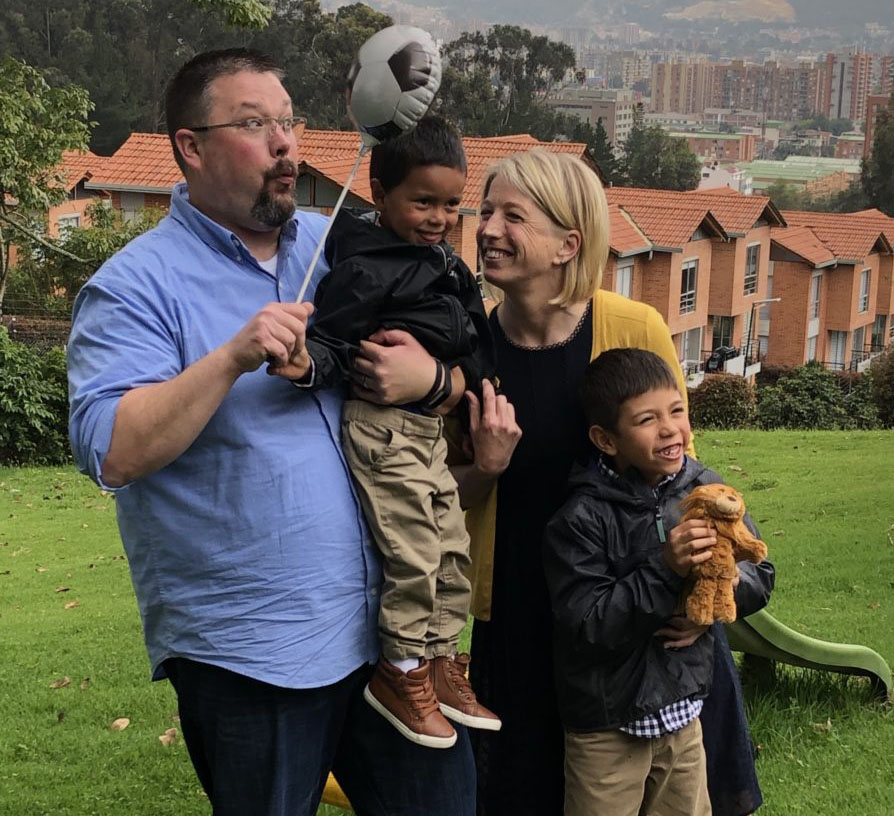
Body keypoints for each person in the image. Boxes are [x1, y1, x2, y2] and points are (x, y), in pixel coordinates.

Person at [67, 48, 475, 816]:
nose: (287, 143)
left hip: (395, 643)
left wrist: (438, 384)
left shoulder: (346, 244)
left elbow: (447, 343)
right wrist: (231, 357)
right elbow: (114, 450)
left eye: (289, 121)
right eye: (256, 124)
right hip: (253, 658)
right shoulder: (132, 286)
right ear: (191, 146)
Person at [452, 148, 774, 816]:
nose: (487, 229)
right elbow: (442, 509)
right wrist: (484, 467)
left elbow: (679, 474)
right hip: (523, 617)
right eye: (486, 211)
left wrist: (696, 600)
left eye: (513, 215)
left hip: (648, 624)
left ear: (569, 242)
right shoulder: (470, 348)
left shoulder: (633, 328)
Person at [303, 115, 500, 747]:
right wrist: (306, 365)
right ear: (380, 193)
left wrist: (448, 379)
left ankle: (440, 662)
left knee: (450, 545)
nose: (440, 217)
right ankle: (401, 670)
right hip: (382, 428)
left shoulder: (447, 266)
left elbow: (478, 346)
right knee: (413, 552)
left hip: (427, 430)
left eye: (450, 204)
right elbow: (329, 345)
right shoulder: (365, 269)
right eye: (423, 202)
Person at [544, 348, 767, 816]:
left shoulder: (705, 489)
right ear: (606, 440)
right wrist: (666, 568)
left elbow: (758, 572)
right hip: (607, 728)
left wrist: (704, 613)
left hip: (683, 717)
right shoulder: (581, 518)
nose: (669, 429)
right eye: (647, 419)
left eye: (677, 410)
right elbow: (586, 624)